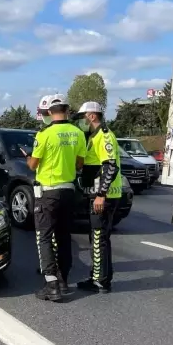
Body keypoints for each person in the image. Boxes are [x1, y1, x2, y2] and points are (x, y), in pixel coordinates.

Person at [22, 94, 86, 302]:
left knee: (44, 237)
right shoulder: (77, 133)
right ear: (67, 110)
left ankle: (51, 285)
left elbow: (33, 165)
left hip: (48, 192)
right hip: (69, 190)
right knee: (64, 236)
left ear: (50, 112)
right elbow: (79, 165)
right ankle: (64, 281)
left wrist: (28, 157)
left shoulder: (44, 134)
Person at [74, 101, 122, 293]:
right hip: (96, 194)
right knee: (97, 238)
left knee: (98, 238)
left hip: (104, 196)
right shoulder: (92, 137)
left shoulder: (105, 136)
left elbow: (111, 166)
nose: (80, 122)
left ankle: (100, 281)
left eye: (82, 118)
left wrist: (101, 195)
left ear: (91, 116)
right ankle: (98, 277)